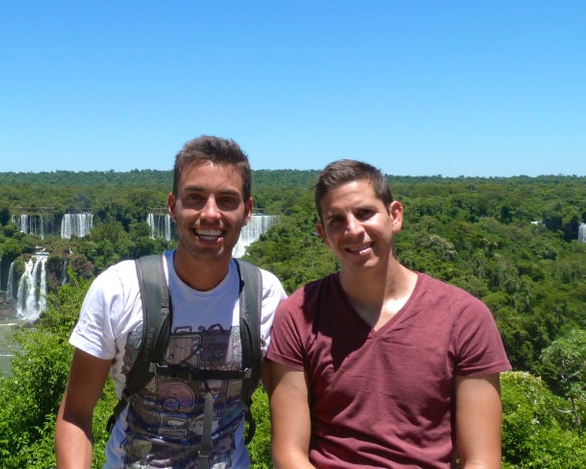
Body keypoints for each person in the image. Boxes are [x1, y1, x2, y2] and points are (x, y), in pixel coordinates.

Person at [55, 135, 286, 468]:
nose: (210, 214)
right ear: (171, 205)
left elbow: (292, 416)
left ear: (247, 211)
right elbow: (75, 413)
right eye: (194, 197)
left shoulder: (265, 294)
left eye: (226, 200)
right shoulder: (118, 288)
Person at [267, 159, 511, 468]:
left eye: (365, 213)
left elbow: (482, 459)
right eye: (336, 220)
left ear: (395, 215)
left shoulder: (465, 318)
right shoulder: (298, 315)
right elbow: (288, 454)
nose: (353, 230)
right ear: (323, 233)